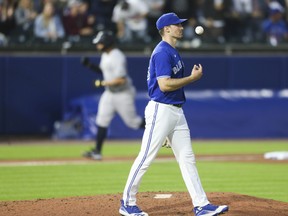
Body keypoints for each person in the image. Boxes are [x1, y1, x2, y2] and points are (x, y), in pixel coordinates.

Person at [118, 12, 229, 216]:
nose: (181, 27)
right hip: (162, 108)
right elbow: (165, 85)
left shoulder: (172, 50)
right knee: (145, 157)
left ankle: (201, 204)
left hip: (176, 112)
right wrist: (192, 79)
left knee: (187, 158)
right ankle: (127, 202)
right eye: (177, 24)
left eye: (180, 24)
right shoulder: (162, 52)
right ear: (166, 29)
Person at [81, 30, 145, 160]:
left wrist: (103, 83)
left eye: (100, 43)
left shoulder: (117, 56)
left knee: (133, 122)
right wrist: (90, 65)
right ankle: (97, 151)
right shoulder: (106, 54)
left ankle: (160, 130)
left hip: (123, 93)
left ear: (107, 43)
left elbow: (122, 79)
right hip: (110, 93)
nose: (98, 45)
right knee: (101, 120)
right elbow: (104, 71)